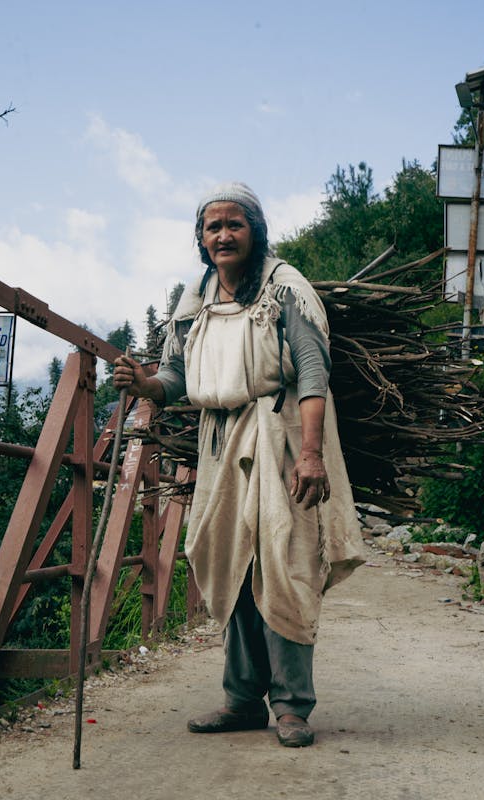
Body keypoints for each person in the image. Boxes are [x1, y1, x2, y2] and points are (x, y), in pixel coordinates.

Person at [113, 182, 365, 747]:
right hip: (219, 445)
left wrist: (310, 453)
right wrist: (144, 382)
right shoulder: (197, 296)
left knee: (284, 566)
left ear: (255, 230)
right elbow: (176, 378)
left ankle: (293, 707)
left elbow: (312, 369)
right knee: (231, 564)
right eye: (212, 227)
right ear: (201, 240)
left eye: (234, 225)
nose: (223, 235)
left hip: (279, 437)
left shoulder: (283, 287)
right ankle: (242, 700)